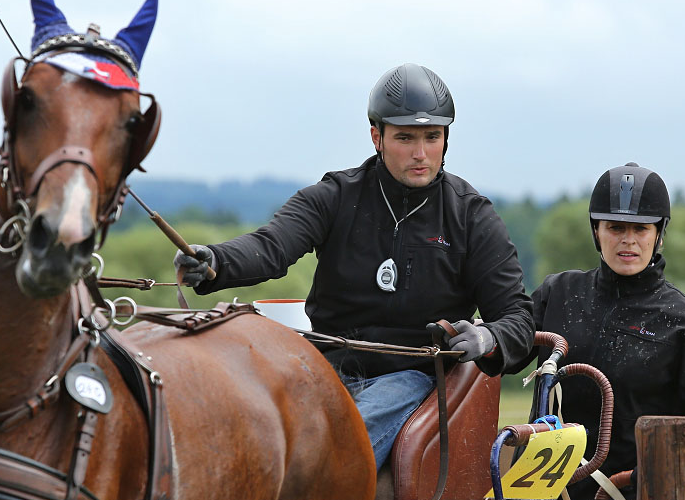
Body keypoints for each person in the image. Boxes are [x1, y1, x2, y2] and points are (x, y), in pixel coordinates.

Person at [174, 63, 534, 470]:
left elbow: (518, 318)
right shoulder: (334, 196)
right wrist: (217, 261)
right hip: (324, 365)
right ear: (376, 137)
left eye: (432, 137)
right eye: (405, 138)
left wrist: (487, 338)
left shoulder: (472, 217)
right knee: (239, 413)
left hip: (415, 378)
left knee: (342, 432)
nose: (421, 153)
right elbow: (272, 246)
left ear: (446, 138)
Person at [503, 162, 685, 500]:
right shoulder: (559, 293)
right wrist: (479, 334)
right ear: (596, 231)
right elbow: (509, 350)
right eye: (615, 227)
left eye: (641, 229)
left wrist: (655, 476)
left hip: (619, 498)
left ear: (659, 233)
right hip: (544, 481)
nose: (628, 240)